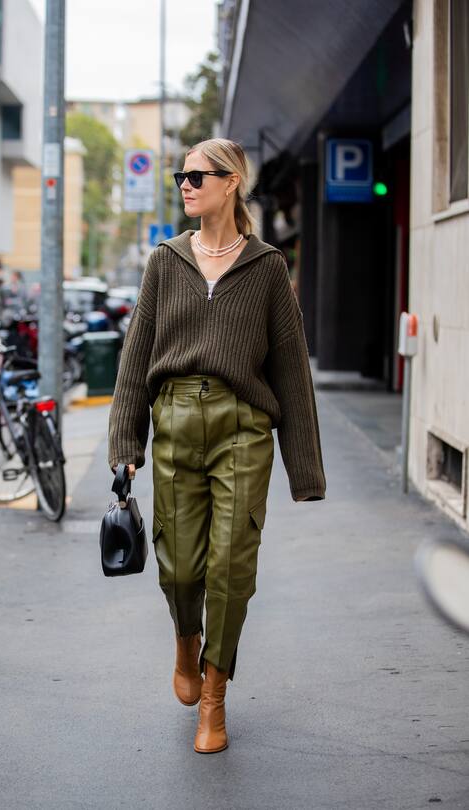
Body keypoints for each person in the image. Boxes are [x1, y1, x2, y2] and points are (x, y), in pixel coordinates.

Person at [108, 137, 326, 754]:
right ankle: (185, 638)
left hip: (242, 429)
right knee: (179, 566)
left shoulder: (266, 268)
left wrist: (303, 470)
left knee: (231, 566)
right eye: (181, 175)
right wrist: (126, 439)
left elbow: (291, 372)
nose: (185, 183)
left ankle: (214, 697)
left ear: (231, 183)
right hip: (173, 420)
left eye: (197, 175)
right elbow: (135, 359)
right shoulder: (164, 262)